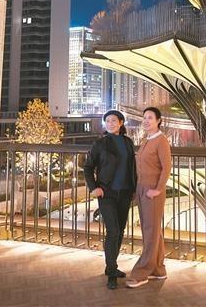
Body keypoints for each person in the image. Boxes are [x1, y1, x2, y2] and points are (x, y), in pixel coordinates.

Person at [83, 109, 137, 290]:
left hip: (125, 192)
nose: (110, 123)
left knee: (120, 231)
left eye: (114, 120)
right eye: (107, 121)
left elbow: (132, 167)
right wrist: (94, 187)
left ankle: (111, 266)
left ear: (121, 123)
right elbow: (88, 167)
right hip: (107, 193)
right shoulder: (100, 143)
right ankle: (112, 272)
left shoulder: (128, 142)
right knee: (112, 231)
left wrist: (134, 188)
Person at [126, 107, 171, 288]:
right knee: (151, 230)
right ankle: (158, 269)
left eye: (150, 118)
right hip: (142, 189)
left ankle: (142, 272)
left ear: (158, 120)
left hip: (153, 191)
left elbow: (166, 168)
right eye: (144, 118)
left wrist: (158, 189)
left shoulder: (161, 140)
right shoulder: (146, 139)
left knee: (150, 230)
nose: (146, 121)